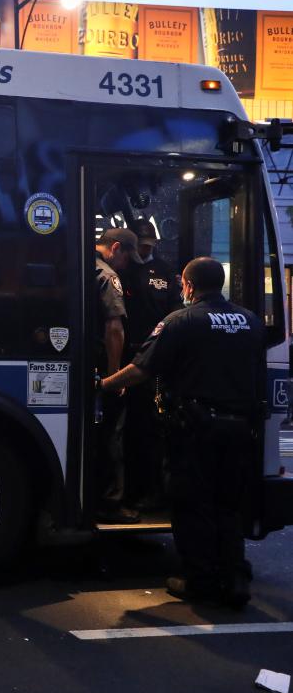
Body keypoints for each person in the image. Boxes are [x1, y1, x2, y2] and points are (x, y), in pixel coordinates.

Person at [101, 257, 265, 608]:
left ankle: (199, 581)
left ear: (188, 286)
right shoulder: (250, 321)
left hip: (197, 429)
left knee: (194, 504)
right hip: (240, 429)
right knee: (229, 506)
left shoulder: (181, 321)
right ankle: (235, 578)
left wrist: (104, 384)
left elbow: (141, 370)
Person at [121, 220, 181, 512]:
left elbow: (173, 311)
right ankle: (129, 492)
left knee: (151, 430)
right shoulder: (123, 267)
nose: (146, 248)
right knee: (127, 430)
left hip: (155, 358)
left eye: (149, 243)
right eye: (141, 243)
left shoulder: (166, 271)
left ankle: (151, 492)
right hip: (125, 356)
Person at [94, 226, 139, 524]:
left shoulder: (80, 263)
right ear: (116, 248)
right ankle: (110, 503)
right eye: (126, 258)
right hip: (100, 368)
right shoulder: (109, 276)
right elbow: (114, 328)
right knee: (110, 436)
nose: (126, 265)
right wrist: (115, 376)